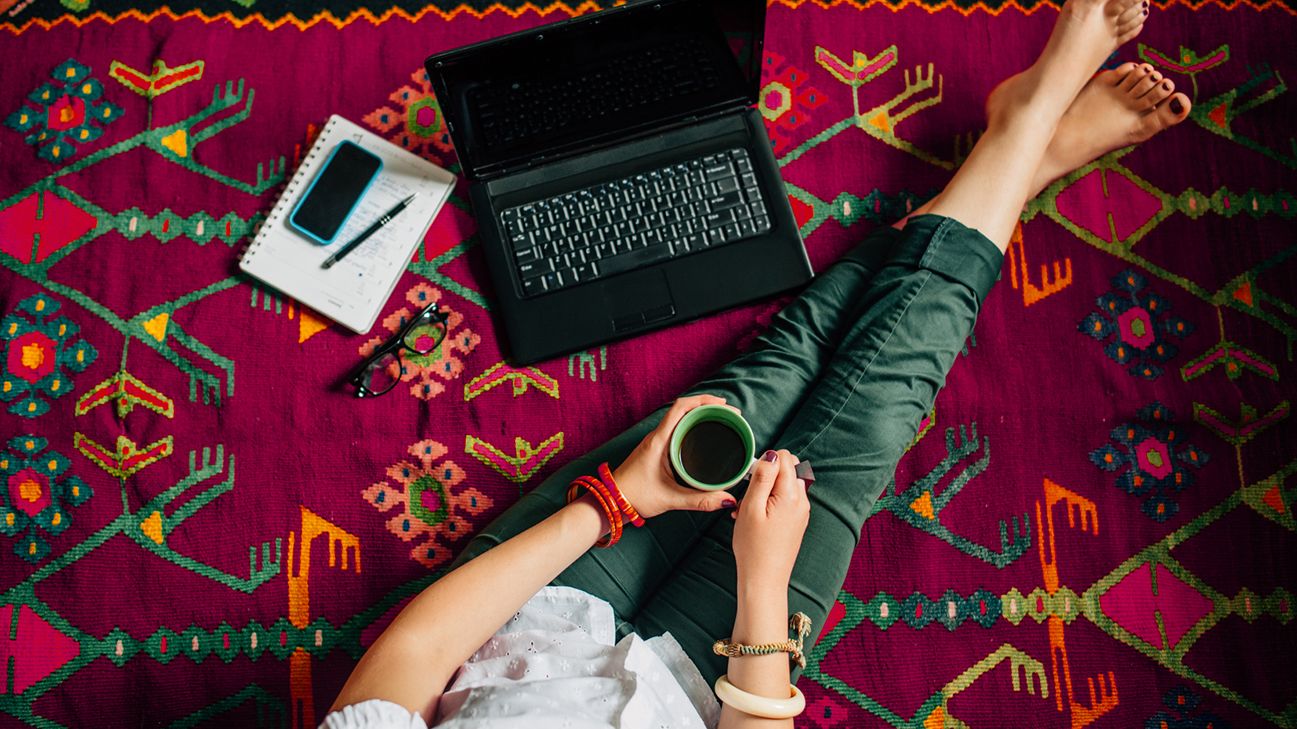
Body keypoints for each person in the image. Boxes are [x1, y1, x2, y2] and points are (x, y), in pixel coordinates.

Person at [323, 0, 1191, 724]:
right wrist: (763, 588)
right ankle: (1023, 139)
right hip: (716, 679)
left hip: (524, 618)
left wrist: (622, 497)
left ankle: (1017, 149)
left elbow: (413, 652)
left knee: (775, 372)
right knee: (875, 406)